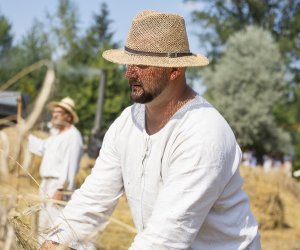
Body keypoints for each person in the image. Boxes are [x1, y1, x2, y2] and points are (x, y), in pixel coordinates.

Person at [42, 10, 260, 250]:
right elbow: (94, 199)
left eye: (142, 64)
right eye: (128, 62)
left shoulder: (203, 133)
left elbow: (165, 238)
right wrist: (56, 239)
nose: (128, 73)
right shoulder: (127, 122)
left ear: (174, 70)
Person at [28, 97, 83, 244]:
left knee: (54, 227)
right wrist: (25, 132)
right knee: (43, 226)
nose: (55, 114)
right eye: (54, 112)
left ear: (68, 116)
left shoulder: (73, 136)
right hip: (46, 185)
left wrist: (61, 189)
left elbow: (70, 167)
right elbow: (41, 148)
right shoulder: (56, 136)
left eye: (59, 112)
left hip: (57, 187)